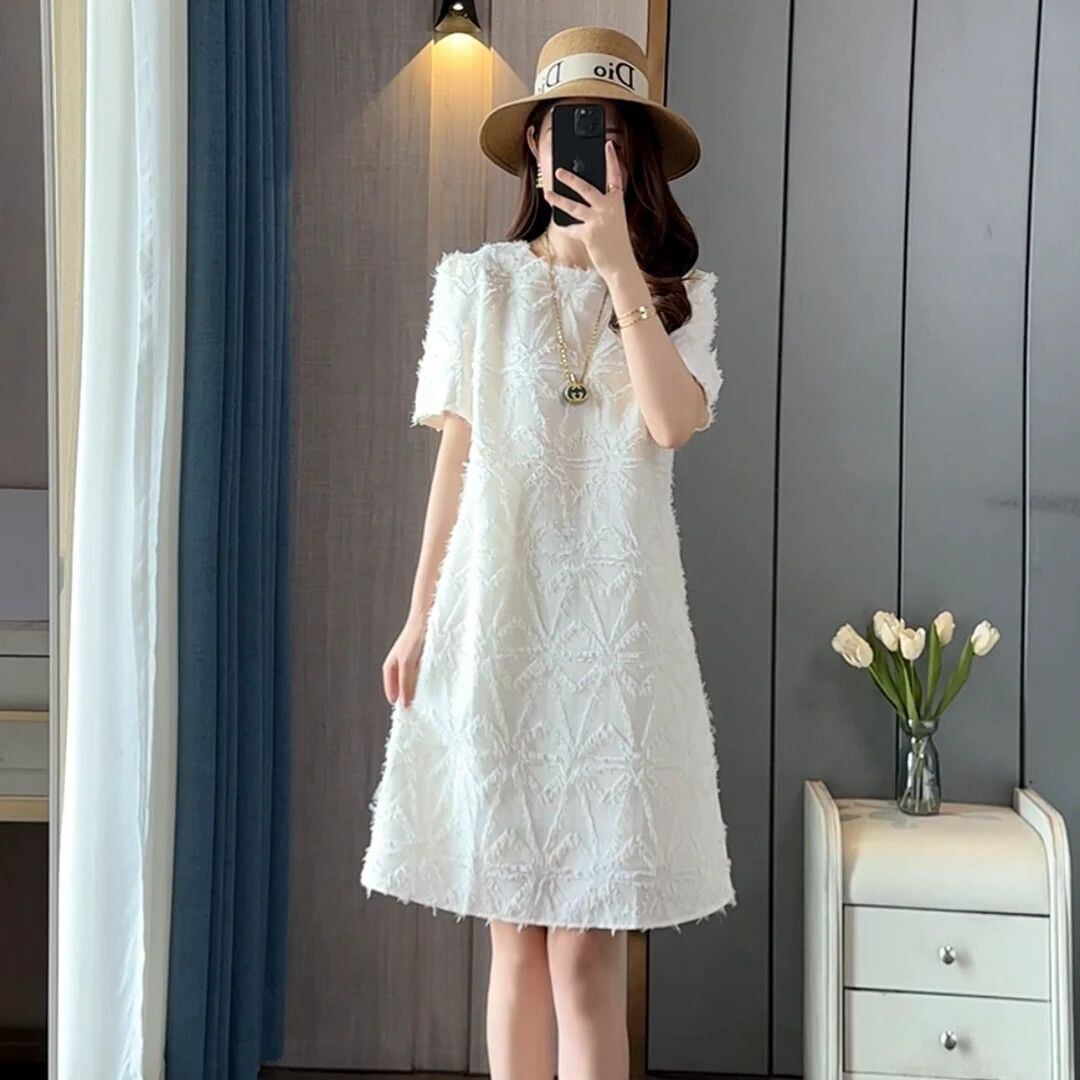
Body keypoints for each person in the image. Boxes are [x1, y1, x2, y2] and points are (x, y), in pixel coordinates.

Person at [360, 24, 736, 1079]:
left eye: (608, 134)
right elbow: (459, 464)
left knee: (585, 950)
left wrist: (617, 265)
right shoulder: (477, 286)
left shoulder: (680, 296)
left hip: (615, 642)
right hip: (503, 623)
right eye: (567, 131)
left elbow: (670, 424)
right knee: (515, 935)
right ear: (533, 147)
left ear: (634, 157)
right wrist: (420, 617)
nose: (583, 153)